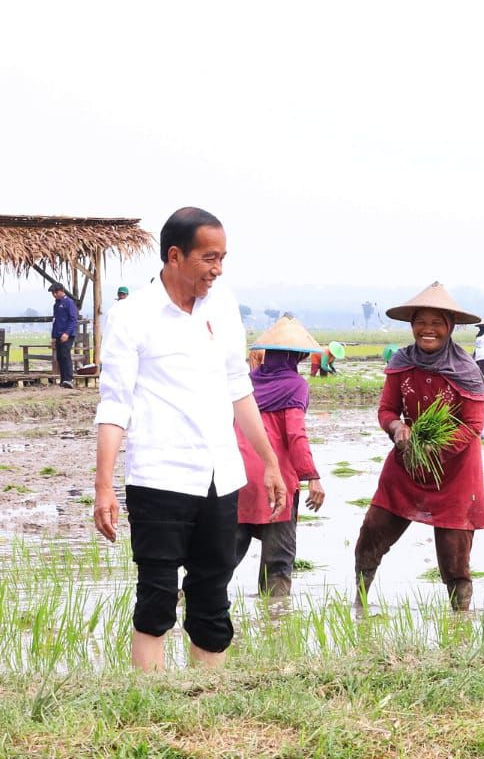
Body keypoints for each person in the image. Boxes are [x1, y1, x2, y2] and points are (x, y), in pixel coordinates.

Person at [92, 206, 287, 671]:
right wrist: (103, 486)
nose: (217, 270)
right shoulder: (131, 316)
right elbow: (115, 405)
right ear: (175, 256)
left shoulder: (223, 307)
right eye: (209, 258)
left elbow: (239, 389)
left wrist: (270, 462)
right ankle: (152, 703)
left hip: (221, 476)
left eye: (222, 258)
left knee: (212, 594)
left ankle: (208, 701)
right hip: (159, 476)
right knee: (157, 595)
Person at [353, 282, 484, 611]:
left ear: (449, 327)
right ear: (412, 326)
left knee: (454, 552)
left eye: (436, 323)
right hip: (407, 464)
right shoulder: (402, 363)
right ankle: (358, 604)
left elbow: (473, 425)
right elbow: (387, 409)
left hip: (454, 472)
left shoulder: (466, 371)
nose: (427, 330)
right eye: (421, 323)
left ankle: (460, 620)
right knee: (372, 532)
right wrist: (397, 426)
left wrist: (435, 450)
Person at [233, 316, 326, 597]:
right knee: (278, 561)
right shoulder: (295, 385)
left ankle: (185, 603)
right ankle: (276, 620)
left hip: (237, 476)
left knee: (221, 558)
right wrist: (312, 476)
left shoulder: (246, 383)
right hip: (275, 479)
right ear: (296, 357)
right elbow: (295, 435)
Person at [49, 282, 79, 388]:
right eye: (53, 293)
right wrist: (53, 337)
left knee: (65, 355)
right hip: (58, 334)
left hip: (67, 334)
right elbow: (55, 321)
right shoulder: (56, 304)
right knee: (60, 357)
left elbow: (73, 319)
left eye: (56, 292)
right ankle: (63, 379)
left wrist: (67, 333)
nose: (54, 294)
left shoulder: (69, 303)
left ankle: (69, 379)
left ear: (62, 290)